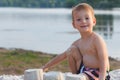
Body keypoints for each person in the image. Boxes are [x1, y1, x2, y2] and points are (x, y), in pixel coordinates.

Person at [42, 3, 110, 80]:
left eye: (87, 18)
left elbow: (103, 60)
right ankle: (75, 75)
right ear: (74, 24)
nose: (83, 21)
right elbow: (62, 56)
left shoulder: (97, 39)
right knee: (71, 50)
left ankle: (78, 77)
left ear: (94, 21)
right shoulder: (78, 43)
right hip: (85, 70)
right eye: (78, 19)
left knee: (84, 76)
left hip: (99, 72)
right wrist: (45, 67)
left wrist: (102, 77)